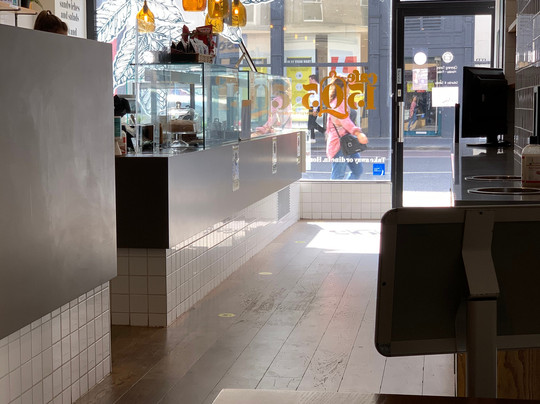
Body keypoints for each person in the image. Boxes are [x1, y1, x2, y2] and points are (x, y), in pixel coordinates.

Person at [326, 77, 368, 180]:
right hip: (340, 144)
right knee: (337, 176)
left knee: (357, 170)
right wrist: (358, 133)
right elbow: (344, 120)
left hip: (348, 141)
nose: (349, 88)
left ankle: (346, 188)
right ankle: (335, 191)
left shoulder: (342, 102)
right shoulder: (337, 103)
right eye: (348, 86)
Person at [307, 74, 325, 141]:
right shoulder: (312, 87)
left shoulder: (317, 87)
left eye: (310, 80)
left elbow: (316, 98)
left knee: (312, 122)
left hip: (315, 107)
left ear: (313, 80)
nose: (309, 81)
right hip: (312, 106)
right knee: (310, 122)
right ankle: (312, 137)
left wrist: (315, 109)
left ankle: (324, 131)